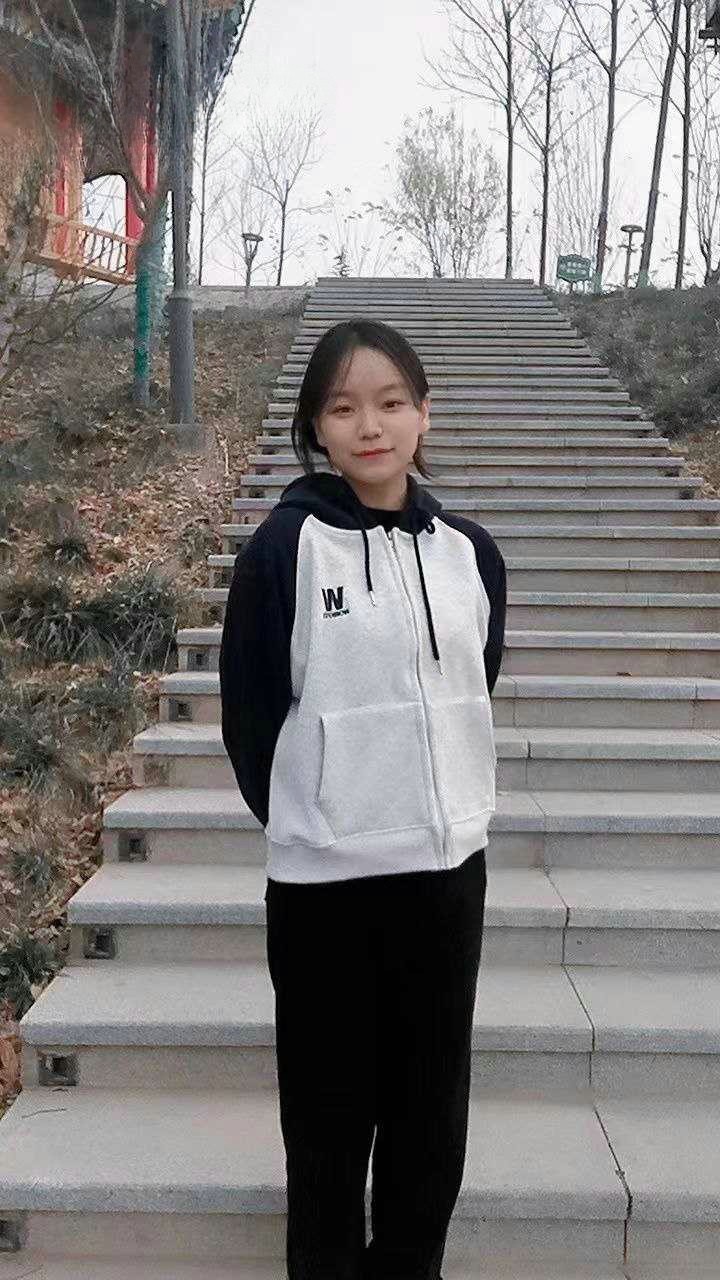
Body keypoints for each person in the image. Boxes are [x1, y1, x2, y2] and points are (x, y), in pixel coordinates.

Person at [219, 317, 507, 1280]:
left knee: (431, 1116)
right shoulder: (283, 551)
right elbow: (251, 716)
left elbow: (470, 685)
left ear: (425, 414)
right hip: (325, 892)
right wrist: (321, 813)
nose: (370, 426)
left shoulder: (471, 555)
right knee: (328, 1122)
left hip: (446, 877)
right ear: (316, 426)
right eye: (343, 408)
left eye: (390, 403)